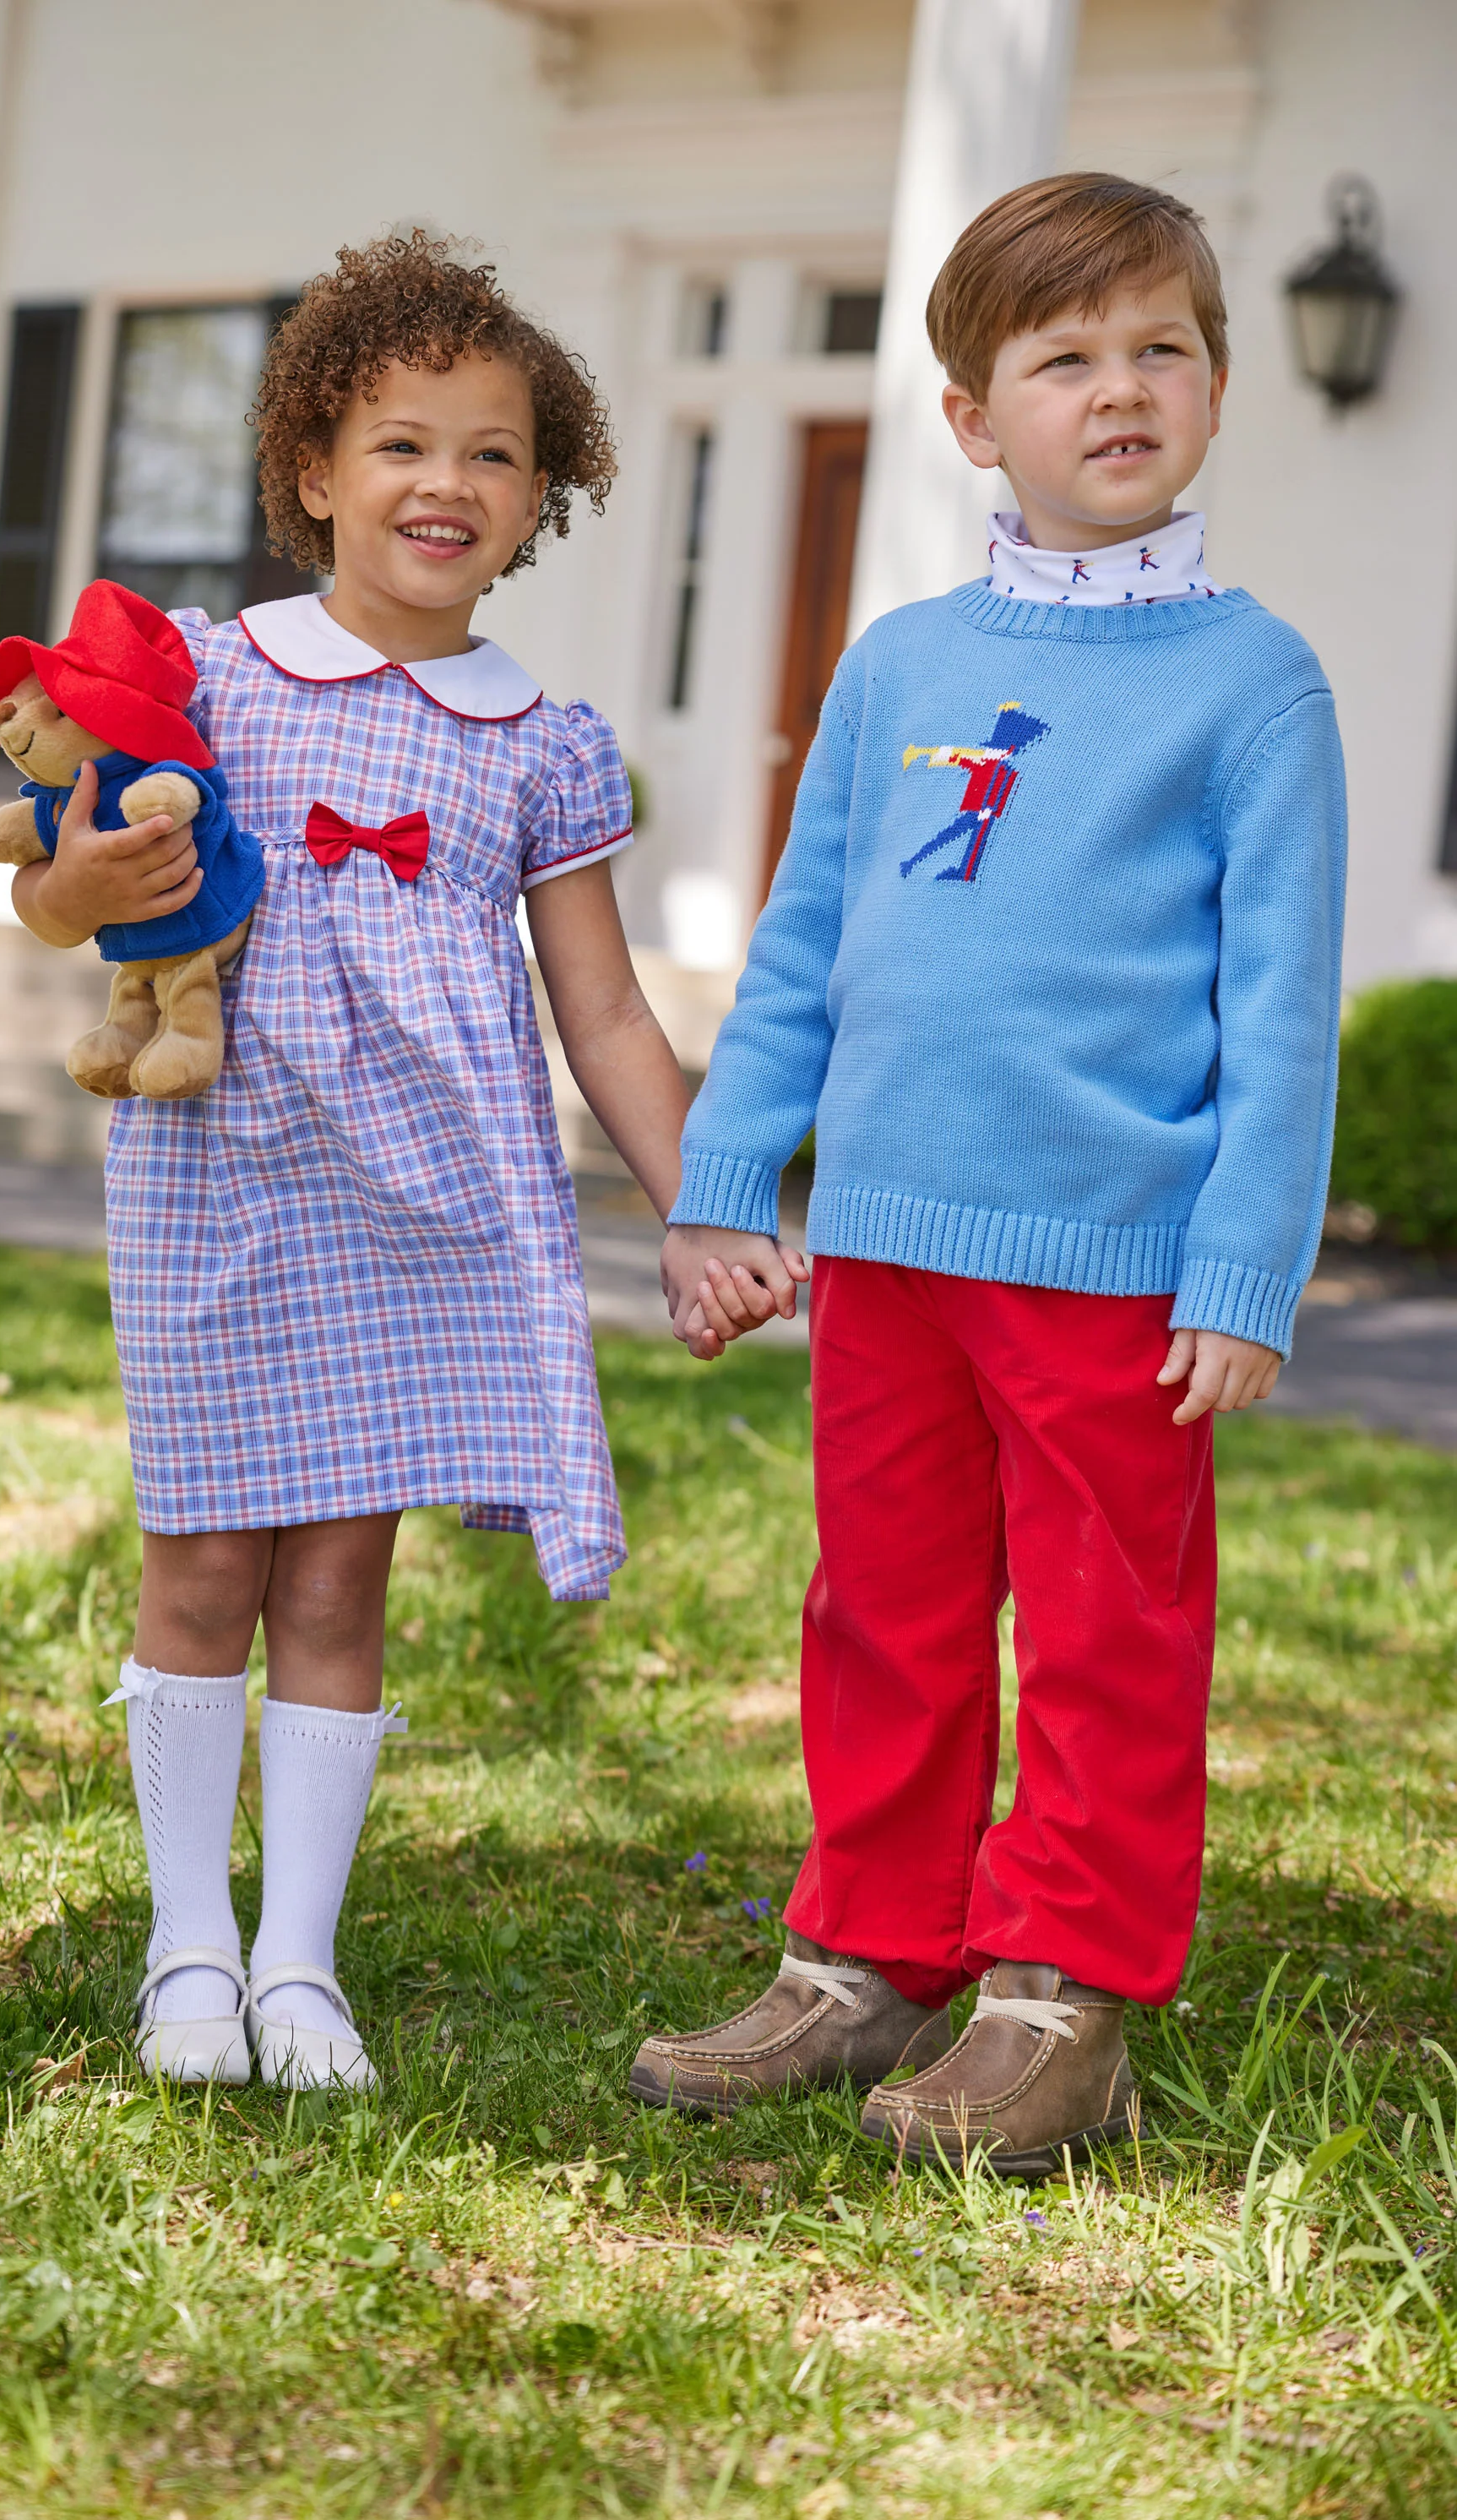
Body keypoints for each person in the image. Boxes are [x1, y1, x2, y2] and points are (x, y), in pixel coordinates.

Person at [636, 173, 1346, 2177]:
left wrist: (1241, 1269)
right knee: (887, 1605)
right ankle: (870, 1944)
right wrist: (724, 1178)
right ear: (971, 415)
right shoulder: (898, 663)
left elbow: (1276, 1006)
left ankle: (1066, 1988)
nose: (1116, 389)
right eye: (1062, 358)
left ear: (1211, 387)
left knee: (1109, 1620)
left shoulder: (1250, 682)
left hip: (1109, 1253)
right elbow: (803, 944)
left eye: (1158, 350)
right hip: (881, 1239)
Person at [11, 234, 698, 2092]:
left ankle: (297, 1966)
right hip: (225, 1180)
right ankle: (183, 1952)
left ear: (540, 493)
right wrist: (88, 882)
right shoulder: (207, 684)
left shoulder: (541, 744)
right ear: (313, 473)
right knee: (203, 1561)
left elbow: (607, 1016)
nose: (444, 485)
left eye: (490, 453)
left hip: (431, 1205)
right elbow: (55, 892)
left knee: (337, 1579)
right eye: (401, 444)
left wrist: (699, 1205)